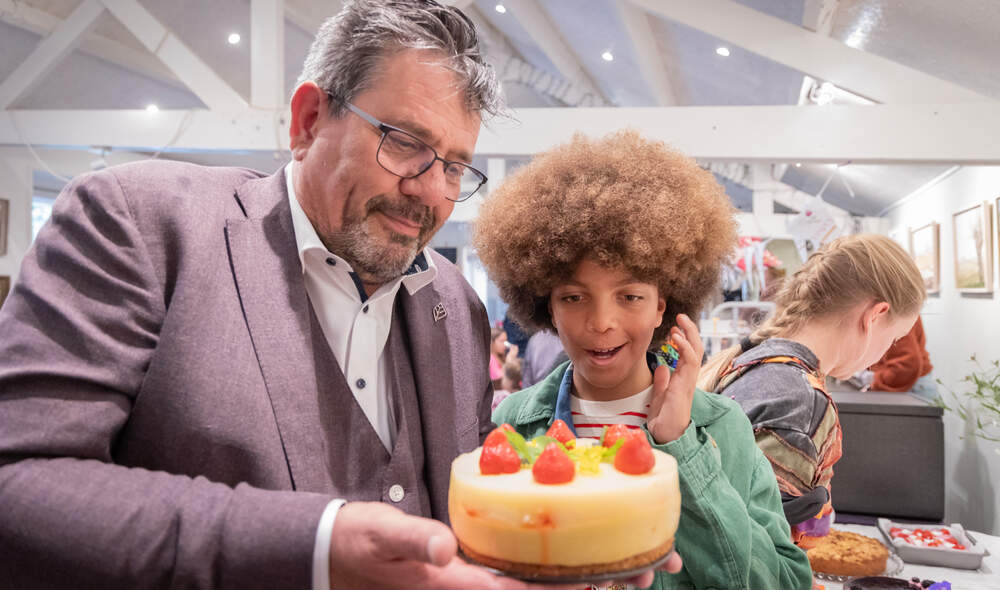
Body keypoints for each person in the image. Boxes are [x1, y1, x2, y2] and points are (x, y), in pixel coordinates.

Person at [0, 2, 636, 589]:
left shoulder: (454, 303)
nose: (431, 192)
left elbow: (466, 513)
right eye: (407, 143)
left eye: (453, 165)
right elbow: (20, 485)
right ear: (308, 121)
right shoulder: (141, 225)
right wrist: (317, 545)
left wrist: (553, 550)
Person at [476, 131, 814, 589]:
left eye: (630, 295)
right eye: (574, 296)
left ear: (663, 304)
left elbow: (782, 584)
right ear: (547, 307)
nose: (601, 322)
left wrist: (681, 449)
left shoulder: (719, 428)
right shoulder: (514, 425)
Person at [699, 234, 925, 546]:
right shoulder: (799, 400)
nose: (885, 353)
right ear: (875, 316)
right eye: (894, 338)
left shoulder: (753, 361)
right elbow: (755, 555)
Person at [866, 316, 938, 401]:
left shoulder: (897, 310)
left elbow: (907, 364)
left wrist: (875, 385)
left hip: (909, 386)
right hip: (908, 383)